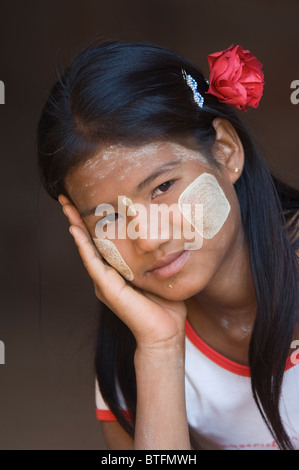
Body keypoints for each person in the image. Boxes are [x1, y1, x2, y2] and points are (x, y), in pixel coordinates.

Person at [37, 40, 299, 450]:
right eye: (108, 218)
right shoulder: (130, 356)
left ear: (225, 152)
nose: (149, 237)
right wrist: (160, 350)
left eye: (162, 187)